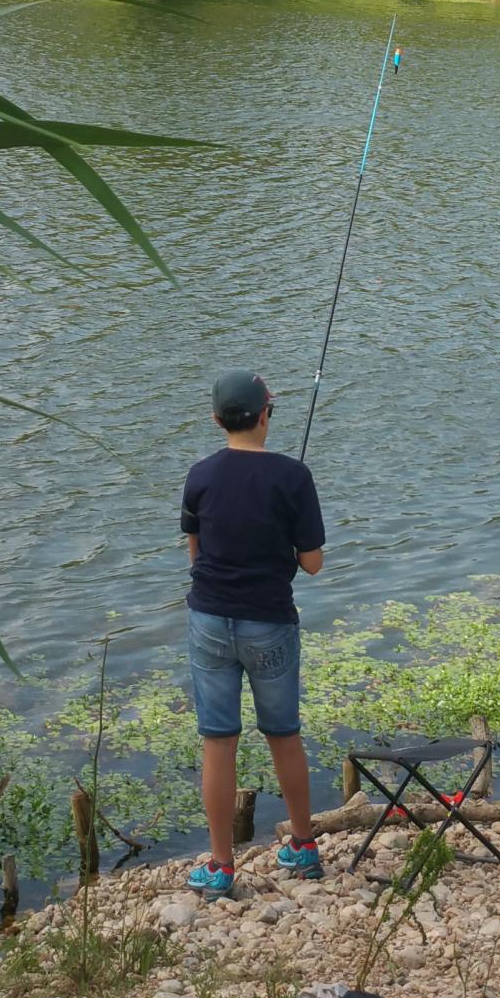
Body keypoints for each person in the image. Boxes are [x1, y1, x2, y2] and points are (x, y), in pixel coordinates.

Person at [180, 368, 325, 898]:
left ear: (217, 419)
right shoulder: (294, 476)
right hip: (270, 624)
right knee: (283, 734)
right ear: (267, 414)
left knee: (218, 743)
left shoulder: (199, 475)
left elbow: (196, 553)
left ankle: (220, 867)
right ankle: (304, 848)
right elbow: (312, 564)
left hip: (210, 621)